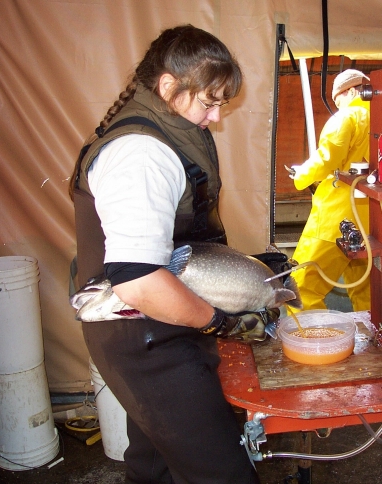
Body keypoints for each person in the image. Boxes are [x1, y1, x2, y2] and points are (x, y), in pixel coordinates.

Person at [70, 25, 277, 483]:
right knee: (221, 473)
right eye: (210, 102)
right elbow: (138, 280)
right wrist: (218, 320)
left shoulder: (169, 127)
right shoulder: (140, 153)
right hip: (145, 338)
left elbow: (173, 243)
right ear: (168, 86)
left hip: (158, 324)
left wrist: (244, 271)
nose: (216, 117)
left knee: (157, 462)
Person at [289, 69, 371, 312]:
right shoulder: (376, 120)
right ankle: (374, 343)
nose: (337, 105)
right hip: (370, 221)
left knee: (300, 288)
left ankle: (318, 345)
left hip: (337, 219)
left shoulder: (348, 117)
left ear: (353, 91)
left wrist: (300, 176)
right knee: (366, 292)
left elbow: (326, 159)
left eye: (338, 99)